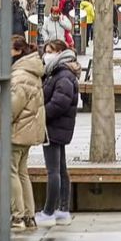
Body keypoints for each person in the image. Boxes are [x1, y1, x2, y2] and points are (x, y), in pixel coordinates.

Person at [0, 36, 46, 231]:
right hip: (27, 131)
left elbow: (9, 110)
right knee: (22, 172)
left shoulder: (20, 77)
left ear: (18, 51)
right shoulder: (31, 72)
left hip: (17, 131)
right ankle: (29, 215)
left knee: (11, 172)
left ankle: (17, 216)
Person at [35, 39, 79, 227]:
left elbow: (59, 102)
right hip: (58, 126)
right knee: (60, 169)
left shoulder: (62, 75)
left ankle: (49, 212)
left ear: (60, 52)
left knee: (53, 171)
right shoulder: (57, 72)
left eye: (50, 51)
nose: (46, 54)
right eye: (45, 51)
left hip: (54, 126)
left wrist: (41, 114)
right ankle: (62, 210)